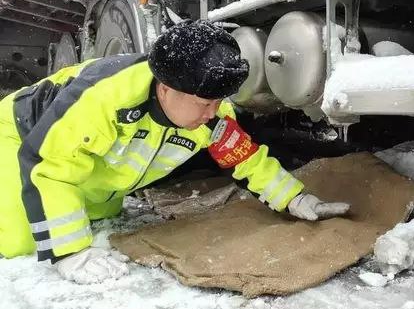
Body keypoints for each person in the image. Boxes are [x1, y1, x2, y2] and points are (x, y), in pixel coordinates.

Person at [0, 20, 349, 284]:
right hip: (21, 139)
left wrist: (295, 199)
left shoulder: (210, 116)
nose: (213, 112)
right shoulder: (104, 97)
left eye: (219, 101)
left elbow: (246, 159)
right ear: (166, 89)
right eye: (204, 102)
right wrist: (69, 252)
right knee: (22, 241)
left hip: (98, 171)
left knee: (96, 216)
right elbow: (50, 165)